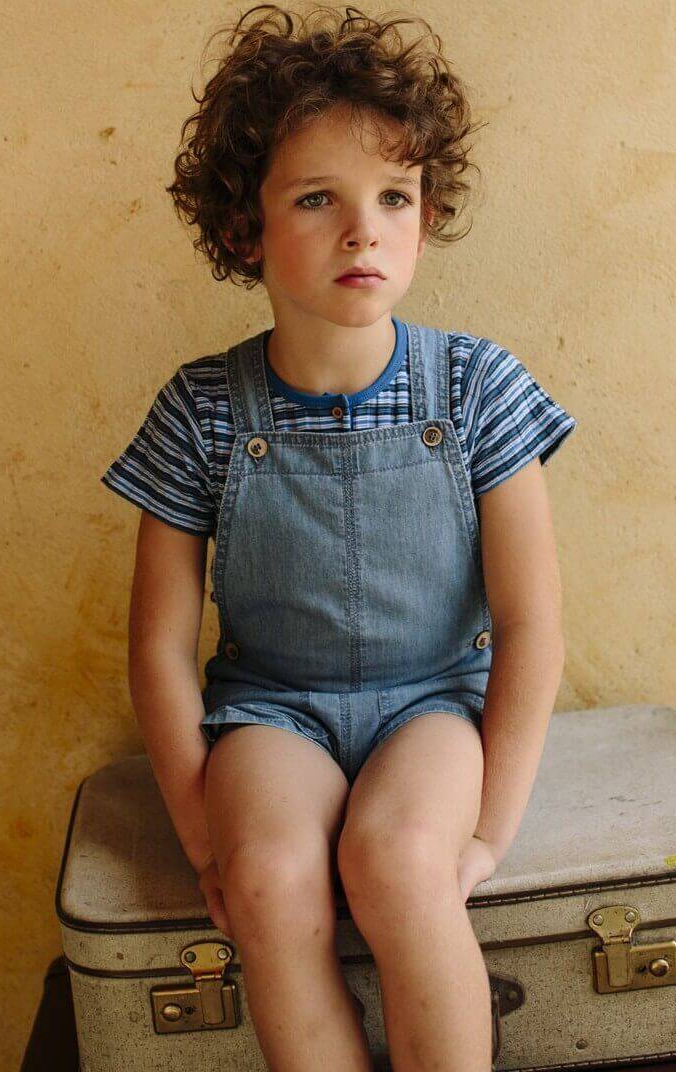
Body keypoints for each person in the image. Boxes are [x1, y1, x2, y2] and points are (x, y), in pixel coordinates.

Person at [101, 5, 576, 1069]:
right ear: (245, 229)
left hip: (431, 703)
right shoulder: (200, 409)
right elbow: (158, 647)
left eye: (393, 197)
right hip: (271, 710)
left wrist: (487, 833)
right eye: (317, 198)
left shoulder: (478, 387)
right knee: (269, 881)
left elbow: (531, 624)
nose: (364, 230)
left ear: (425, 216)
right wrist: (205, 839)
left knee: (401, 862)